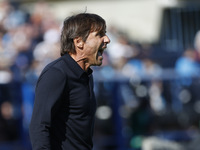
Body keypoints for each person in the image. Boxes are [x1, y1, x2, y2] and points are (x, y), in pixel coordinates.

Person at [29, 13, 110, 150]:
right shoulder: (56, 73)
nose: (107, 39)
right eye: (99, 34)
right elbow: (39, 126)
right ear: (79, 42)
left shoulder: (86, 75)